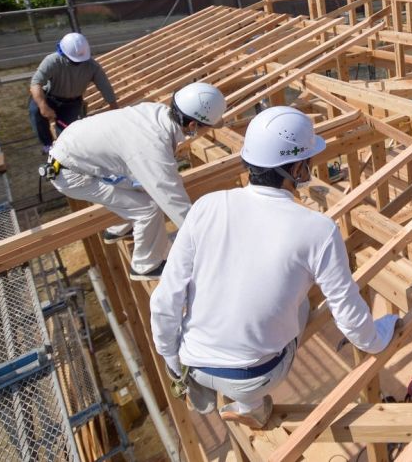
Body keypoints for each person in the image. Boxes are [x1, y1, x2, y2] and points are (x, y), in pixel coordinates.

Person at [149, 106, 399, 428]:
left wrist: (172, 360)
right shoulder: (318, 230)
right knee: (301, 307)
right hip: (255, 375)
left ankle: (202, 386)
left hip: (192, 359)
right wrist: (380, 335)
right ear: (297, 168)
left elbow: (165, 299)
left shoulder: (207, 206)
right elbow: (350, 319)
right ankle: (249, 405)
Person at [47, 82, 226, 280]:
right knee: (148, 209)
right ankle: (146, 265)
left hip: (77, 153)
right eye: (206, 128)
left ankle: (118, 229)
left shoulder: (157, 112)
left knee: (141, 188)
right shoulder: (151, 146)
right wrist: (209, 242)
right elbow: (174, 202)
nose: (206, 132)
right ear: (192, 125)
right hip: (71, 174)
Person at [30, 32, 119, 153]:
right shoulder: (53, 61)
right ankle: (47, 145)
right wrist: (43, 106)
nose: (77, 63)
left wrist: (115, 109)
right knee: (36, 111)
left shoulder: (91, 66)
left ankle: (64, 153)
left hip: (72, 104)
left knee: (67, 135)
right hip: (49, 98)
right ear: (63, 53)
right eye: (73, 61)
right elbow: (36, 83)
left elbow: (105, 86)